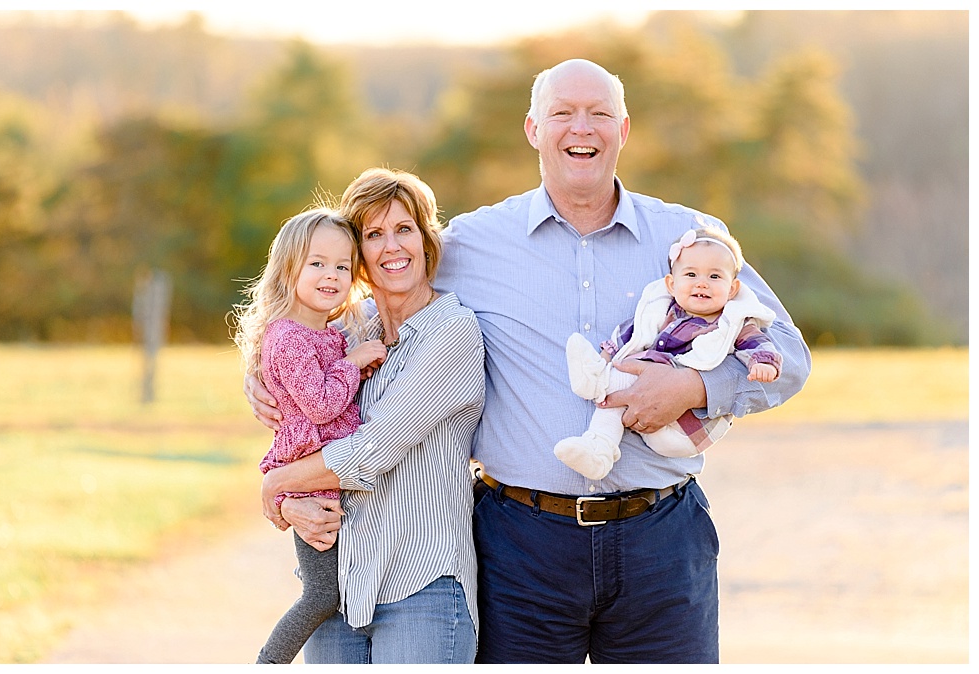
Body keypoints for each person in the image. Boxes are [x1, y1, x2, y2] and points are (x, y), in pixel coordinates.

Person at [432, 58, 811, 663]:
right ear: (533, 129)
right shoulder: (470, 244)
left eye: (599, 114)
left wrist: (694, 387)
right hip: (519, 547)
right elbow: (364, 308)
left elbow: (789, 355)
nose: (581, 128)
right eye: (562, 113)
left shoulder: (691, 238)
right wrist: (268, 368)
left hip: (662, 541)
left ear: (623, 130)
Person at [246, 168, 485, 664]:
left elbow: (370, 450)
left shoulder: (451, 332)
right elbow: (299, 402)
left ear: (426, 239)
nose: (391, 246)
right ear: (359, 257)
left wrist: (275, 484)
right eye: (374, 234)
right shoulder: (352, 329)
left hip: (420, 585)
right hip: (341, 586)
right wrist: (253, 376)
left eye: (405, 229)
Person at [231, 208, 388, 664]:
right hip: (312, 482)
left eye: (342, 266)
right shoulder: (289, 337)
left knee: (339, 586)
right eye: (317, 263)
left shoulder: (327, 332)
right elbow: (320, 404)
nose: (331, 275)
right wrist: (354, 363)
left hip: (329, 477)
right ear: (288, 268)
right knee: (322, 595)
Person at [555, 225, 782, 479]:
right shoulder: (661, 311)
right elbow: (627, 336)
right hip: (649, 417)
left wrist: (763, 363)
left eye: (715, 277)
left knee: (621, 380)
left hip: (687, 426)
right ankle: (598, 447)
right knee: (621, 378)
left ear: (732, 289)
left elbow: (757, 343)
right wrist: (606, 357)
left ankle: (594, 387)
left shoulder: (731, 322)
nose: (702, 284)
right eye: (691, 274)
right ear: (672, 284)